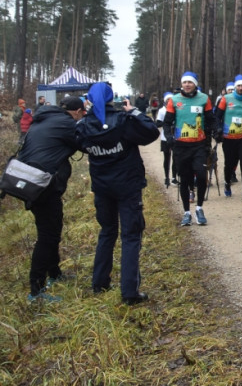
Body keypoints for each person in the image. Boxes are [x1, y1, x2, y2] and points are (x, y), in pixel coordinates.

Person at [76, 82, 160, 304]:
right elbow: (151, 133)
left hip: (103, 187)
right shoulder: (123, 120)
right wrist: (133, 111)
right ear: (112, 97)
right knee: (131, 236)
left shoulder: (84, 124)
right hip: (128, 187)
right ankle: (130, 292)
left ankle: (99, 283)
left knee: (107, 232)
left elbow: (80, 145)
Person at [14, 96, 87, 302]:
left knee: (51, 228)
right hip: (42, 184)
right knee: (48, 235)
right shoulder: (65, 123)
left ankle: (54, 274)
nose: (82, 117)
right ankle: (36, 291)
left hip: (29, 181)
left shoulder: (45, 118)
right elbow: (85, 144)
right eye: (82, 114)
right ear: (76, 112)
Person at [164, 72, 216, 226]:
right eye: (184, 82)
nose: (187, 85)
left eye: (190, 82)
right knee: (185, 179)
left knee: (201, 175)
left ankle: (199, 208)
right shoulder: (174, 100)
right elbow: (167, 123)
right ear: (181, 84)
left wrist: (216, 131)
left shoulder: (204, 98)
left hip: (199, 145)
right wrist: (169, 137)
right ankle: (187, 212)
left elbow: (211, 119)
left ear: (195, 84)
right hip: (180, 146)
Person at [215, 75, 242, 201]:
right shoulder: (226, 99)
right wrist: (218, 129)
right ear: (235, 87)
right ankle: (227, 183)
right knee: (229, 164)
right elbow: (217, 116)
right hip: (229, 137)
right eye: (238, 85)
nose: (240, 88)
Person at [155, 91, 176, 187]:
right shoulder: (162, 110)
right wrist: (166, 123)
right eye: (167, 100)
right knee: (167, 158)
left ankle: (174, 177)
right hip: (165, 137)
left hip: (176, 136)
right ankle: (166, 177)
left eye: (171, 99)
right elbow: (157, 123)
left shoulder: (176, 109)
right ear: (165, 101)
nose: (169, 101)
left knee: (175, 158)